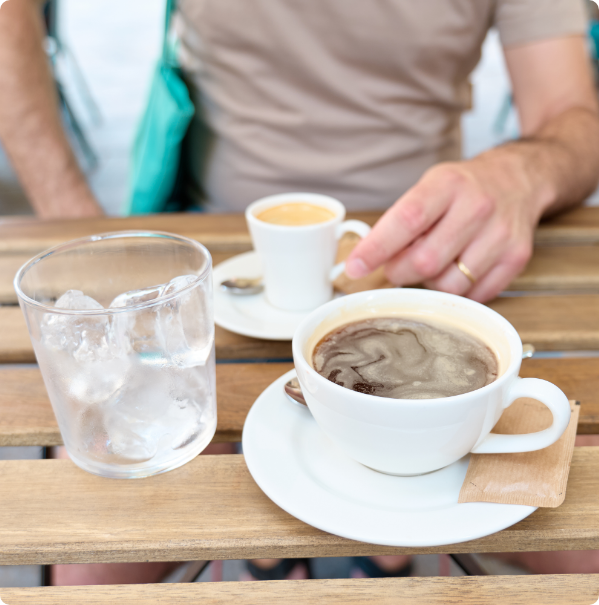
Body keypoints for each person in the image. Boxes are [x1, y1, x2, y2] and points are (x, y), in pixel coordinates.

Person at [1, 0, 599, 584]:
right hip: (206, 274)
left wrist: (527, 170)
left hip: (436, 260)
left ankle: (382, 556)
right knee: (90, 566)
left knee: (586, 552)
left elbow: (571, 114)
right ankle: (287, 558)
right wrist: (78, 235)